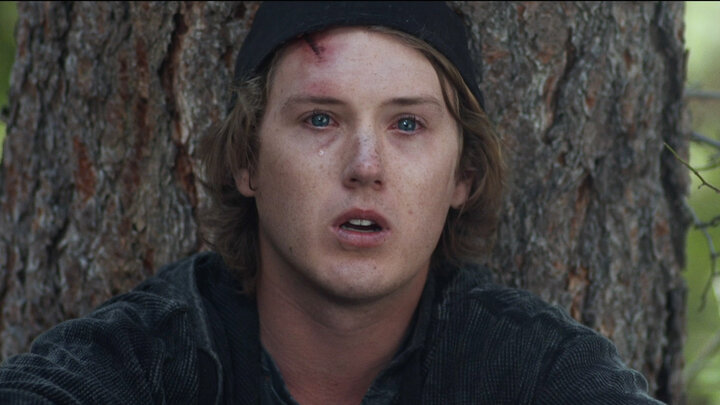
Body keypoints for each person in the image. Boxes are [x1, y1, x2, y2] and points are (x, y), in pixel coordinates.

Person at [0, 2, 665, 404]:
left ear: (462, 176)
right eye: (320, 119)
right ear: (248, 160)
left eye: (408, 124)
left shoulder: (531, 369)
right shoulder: (151, 357)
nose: (365, 166)